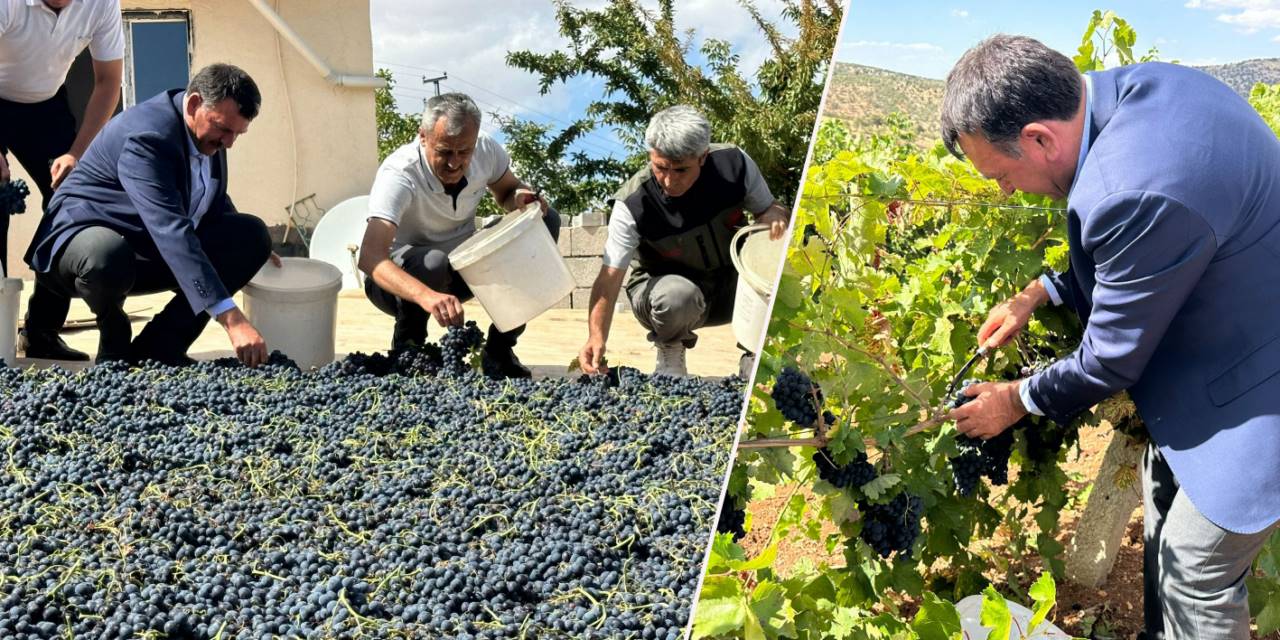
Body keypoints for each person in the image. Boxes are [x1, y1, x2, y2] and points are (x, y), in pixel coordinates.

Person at [941, 35, 1280, 640]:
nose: (1004, 191)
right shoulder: (1144, 91)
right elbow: (1154, 253)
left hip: (1258, 388)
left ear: (1039, 137)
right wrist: (1038, 293)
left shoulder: (1131, 186)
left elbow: (1110, 358)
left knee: (1195, 571)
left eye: (1001, 173)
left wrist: (1013, 400)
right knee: (1161, 507)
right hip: (1229, 336)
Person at [24, 63, 275, 366]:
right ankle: (115, 347)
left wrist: (246, 250)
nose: (229, 143)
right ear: (195, 103)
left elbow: (206, 197)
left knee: (251, 236)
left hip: (139, 249)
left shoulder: (207, 131)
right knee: (106, 253)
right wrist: (231, 319)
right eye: (223, 129)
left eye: (238, 133)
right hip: (76, 251)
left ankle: (159, 347)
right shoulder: (148, 136)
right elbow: (170, 228)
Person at [577, 105, 788, 378]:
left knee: (781, 269)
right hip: (668, 300)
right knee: (676, 296)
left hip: (730, 291)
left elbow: (770, 209)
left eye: (680, 170)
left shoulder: (735, 164)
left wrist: (775, 215)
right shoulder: (633, 203)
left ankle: (755, 352)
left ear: (703, 157)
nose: (668, 180)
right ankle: (670, 348)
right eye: (660, 167)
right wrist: (596, 336)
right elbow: (609, 278)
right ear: (650, 155)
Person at [358, 92, 557, 378]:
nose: (455, 163)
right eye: (444, 152)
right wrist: (426, 296)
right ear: (423, 137)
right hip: (400, 285)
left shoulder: (486, 150)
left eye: (464, 152)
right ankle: (409, 350)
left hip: (462, 269)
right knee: (432, 261)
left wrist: (521, 198)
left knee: (544, 220)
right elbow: (370, 257)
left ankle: (500, 350)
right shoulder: (399, 175)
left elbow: (507, 192)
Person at [0, 0, 124, 360]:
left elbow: (108, 81)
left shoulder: (102, 5)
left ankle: (41, 331)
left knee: (69, 203)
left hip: (45, 105)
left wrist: (77, 153)